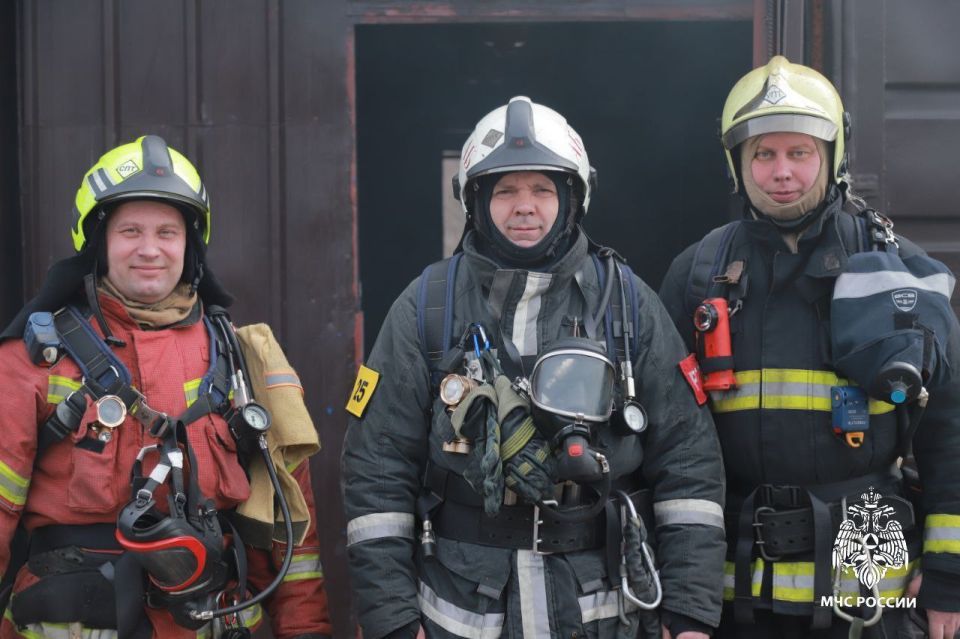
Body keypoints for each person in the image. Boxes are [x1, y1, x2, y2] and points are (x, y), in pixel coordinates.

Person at [342, 96, 725, 639]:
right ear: (476, 201)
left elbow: (689, 459)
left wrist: (688, 611)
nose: (525, 207)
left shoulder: (627, 304)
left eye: (542, 190)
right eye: (506, 191)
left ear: (572, 199)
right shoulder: (426, 308)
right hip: (461, 614)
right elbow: (376, 469)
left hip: (601, 612)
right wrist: (394, 621)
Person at [658, 56, 960, 638]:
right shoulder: (697, 274)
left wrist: (949, 574)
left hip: (868, 585)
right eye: (763, 154)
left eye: (800, 152)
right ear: (737, 164)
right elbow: (668, 447)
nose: (782, 172)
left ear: (832, 155)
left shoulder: (898, 273)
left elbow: (950, 430)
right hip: (737, 588)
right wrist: (682, 596)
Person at [0, 135, 333, 638]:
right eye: (130, 230)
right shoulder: (32, 362)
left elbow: (292, 539)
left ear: (189, 244)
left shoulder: (242, 361)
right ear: (98, 241)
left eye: (167, 232)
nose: (150, 249)